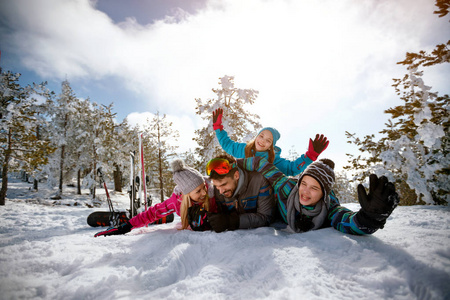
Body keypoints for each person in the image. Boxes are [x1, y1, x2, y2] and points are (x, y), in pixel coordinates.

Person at [239, 156, 399, 235]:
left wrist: (369, 219)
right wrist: (230, 165)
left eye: (314, 188)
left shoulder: (329, 209)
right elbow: (261, 164)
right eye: (304, 184)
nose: (305, 192)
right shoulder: (287, 188)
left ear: (324, 194)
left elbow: (349, 223)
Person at [94, 159, 217, 237]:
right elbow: (152, 213)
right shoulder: (176, 202)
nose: (203, 193)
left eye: (203, 187)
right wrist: (125, 227)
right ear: (186, 194)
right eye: (198, 191)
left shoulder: (212, 192)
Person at [212, 107, 329, 176]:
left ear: (270, 146)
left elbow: (291, 169)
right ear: (257, 136)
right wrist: (218, 128)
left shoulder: (273, 160)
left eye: (268, 141)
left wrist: (309, 156)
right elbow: (227, 144)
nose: (262, 141)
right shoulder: (244, 149)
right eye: (261, 136)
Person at [205, 155, 276, 233]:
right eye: (216, 186)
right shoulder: (217, 189)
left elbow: (266, 217)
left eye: (223, 184)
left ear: (236, 175)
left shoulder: (259, 181)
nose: (220, 192)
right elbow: (219, 215)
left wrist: (233, 221)